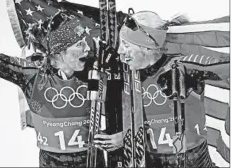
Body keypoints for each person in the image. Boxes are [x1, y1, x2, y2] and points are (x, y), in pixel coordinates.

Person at [0, 0, 105, 168]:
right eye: (79, 45)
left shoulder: (95, 70)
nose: (87, 49)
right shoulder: (31, 74)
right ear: (59, 51)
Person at [93, 10, 228, 167]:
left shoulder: (183, 67)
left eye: (126, 45)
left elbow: (225, 68)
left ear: (147, 47)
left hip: (194, 161)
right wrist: (125, 137)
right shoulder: (129, 77)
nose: (120, 51)